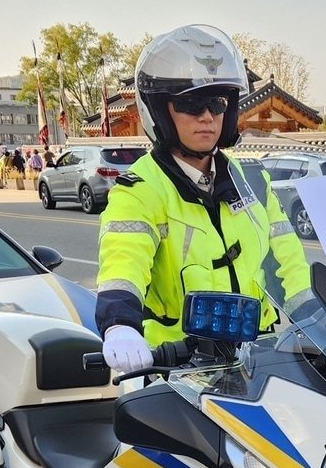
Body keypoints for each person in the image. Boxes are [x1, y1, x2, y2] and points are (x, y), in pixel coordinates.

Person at [96, 24, 311, 372]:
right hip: (177, 367)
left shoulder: (253, 181)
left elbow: (290, 261)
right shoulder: (139, 190)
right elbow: (123, 263)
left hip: (260, 358)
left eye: (216, 102)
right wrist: (120, 325)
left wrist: (316, 317)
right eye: (191, 103)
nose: (207, 116)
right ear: (160, 111)